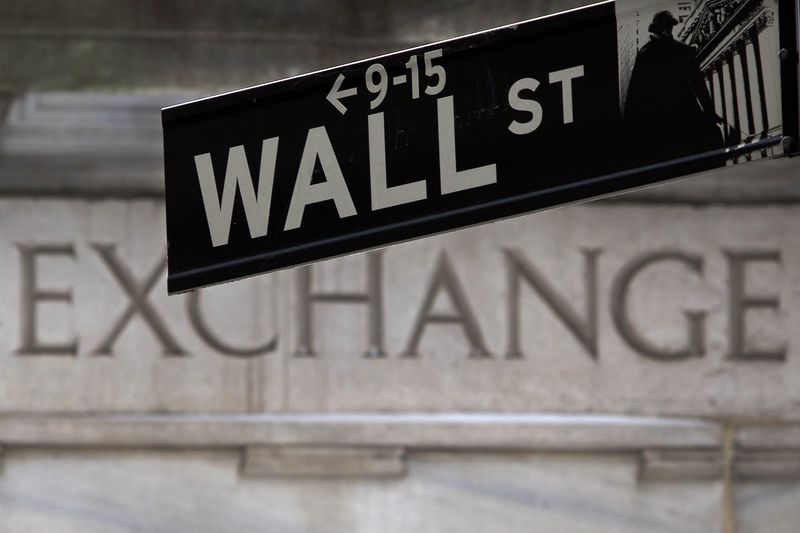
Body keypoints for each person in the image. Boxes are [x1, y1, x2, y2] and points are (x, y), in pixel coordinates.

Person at [622, 10, 723, 166]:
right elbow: (699, 86)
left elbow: (635, 94)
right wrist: (710, 113)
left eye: (669, 27)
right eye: (667, 26)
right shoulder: (682, 50)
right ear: (662, 28)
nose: (669, 30)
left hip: (662, 121)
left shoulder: (646, 53)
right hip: (683, 115)